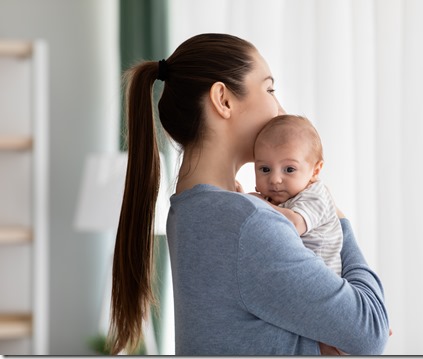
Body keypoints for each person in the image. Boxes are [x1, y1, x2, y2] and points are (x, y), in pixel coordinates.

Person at [108, 33, 390, 355]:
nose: (280, 108)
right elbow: (372, 328)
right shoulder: (246, 222)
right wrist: (332, 213)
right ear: (223, 100)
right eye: (269, 89)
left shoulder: (192, 210)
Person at [250, 114, 343, 275]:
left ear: (315, 171)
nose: (275, 179)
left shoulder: (316, 195)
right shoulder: (273, 199)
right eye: (265, 169)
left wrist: (257, 202)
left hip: (320, 282)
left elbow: (292, 225)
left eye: (289, 169)